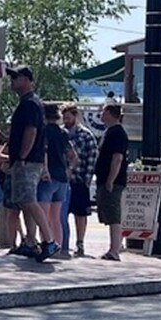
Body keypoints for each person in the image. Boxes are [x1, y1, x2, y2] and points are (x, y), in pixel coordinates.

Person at [6, 65, 59, 262]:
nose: (12, 80)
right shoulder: (30, 103)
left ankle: (50, 241)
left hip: (27, 161)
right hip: (30, 161)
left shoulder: (29, 104)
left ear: (27, 80)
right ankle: (31, 242)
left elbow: (31, 131)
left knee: (29, 200)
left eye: (16, 77)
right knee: (25, 201)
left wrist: (21, 156)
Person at [37, 104, 78, 259]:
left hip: (48, 177)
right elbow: (73, 155)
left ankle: (47, 244)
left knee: (44, 216)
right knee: (56, 217)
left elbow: (44, 151)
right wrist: (69, 170)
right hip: (62, 177)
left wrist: (45, 170)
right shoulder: (64, 133)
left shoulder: (44, 132)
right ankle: (59, 248)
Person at [61, 103, 99, 258]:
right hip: (62, 181)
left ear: (75, 116)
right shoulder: (61, 133)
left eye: (68, 117)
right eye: (64, 117)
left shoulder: (86, 135)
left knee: (80, 214)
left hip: (79, 179)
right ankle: (62, 243)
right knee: (61, 215)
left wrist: (86, 180)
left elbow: (92, 157)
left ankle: (80, 242)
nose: (66, 120)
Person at [94, 103, 129, 261]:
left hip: (113, 181)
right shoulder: (110, 131)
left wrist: (110, 180)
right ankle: (114, 247)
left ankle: (115, 250)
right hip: (105, 179)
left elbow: (117, 158)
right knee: (109, 214)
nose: (101, 114)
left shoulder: (117, 133)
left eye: (103, 111)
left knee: (114, 215)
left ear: (109, 113)